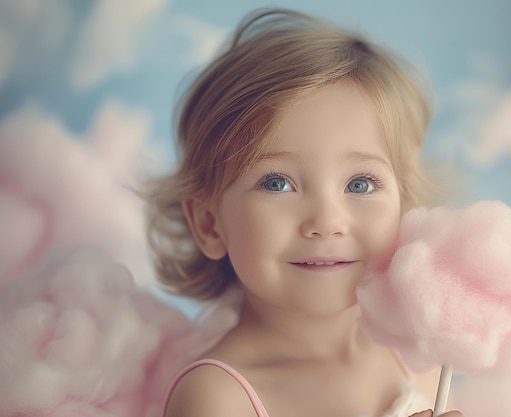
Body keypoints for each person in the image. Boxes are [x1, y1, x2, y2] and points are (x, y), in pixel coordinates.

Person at [146, 7, 463, 417]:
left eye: (360, 184)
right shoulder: (219, 397)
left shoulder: (419, 360)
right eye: (277, 182)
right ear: (209, 224)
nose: (327, 221)